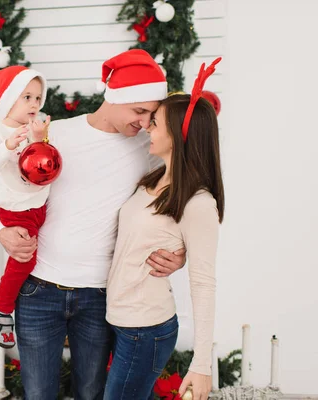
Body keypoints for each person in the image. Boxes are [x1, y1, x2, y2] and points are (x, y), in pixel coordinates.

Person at [0, 49, 186, 399]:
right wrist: (2, 230)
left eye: (150, 115)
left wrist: (182, 252)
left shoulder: (151, 146)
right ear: (114, 99)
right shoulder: (55, 134)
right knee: (38, 393)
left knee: (91, 392)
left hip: (101, 295)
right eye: (139, 111)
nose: (144, 122)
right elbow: (9, 185)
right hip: (39, 289)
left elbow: (180, 200)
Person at [104, 58, 224, 400]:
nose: (146, 128)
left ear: (177, 134)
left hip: (145, 329)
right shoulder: (152, 179)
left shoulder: (198, 203)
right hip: (121, 319)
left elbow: (204, 284)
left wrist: (202, 365)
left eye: (154, 123)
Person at [0, 65, 52, 349]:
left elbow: (42, 160)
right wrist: (8, 145)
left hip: (37, 205)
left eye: (38, 97)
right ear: (9, 99)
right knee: (27, 258)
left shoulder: (35, 127)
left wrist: (40, 138)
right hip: (15, 208)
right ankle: (1, 308)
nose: (35, 103)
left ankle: (8, 290)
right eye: (27, 97)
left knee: (31, 258)